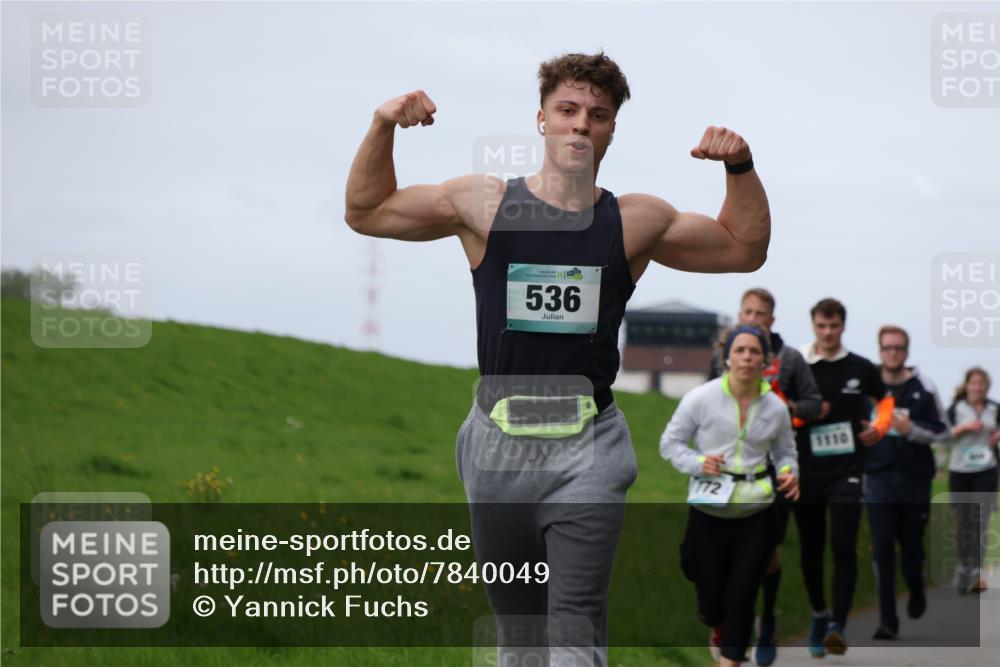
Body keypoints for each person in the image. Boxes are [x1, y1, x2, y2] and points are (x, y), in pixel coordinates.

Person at [344, 52, 771, 667]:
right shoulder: (483, 204)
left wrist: (739, 165)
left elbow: (742, 248)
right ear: (541, 119)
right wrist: (382, 124)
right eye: (567, 110)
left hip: (587, 446)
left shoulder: (632, 220)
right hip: (496, 444)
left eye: (597, 115)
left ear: (612, 129)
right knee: (518, 635)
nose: (580, 125)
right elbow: (367, 210)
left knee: (572, 628)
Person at [661, 325, 799, 667]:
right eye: (740, 351)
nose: (747, 357)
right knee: (701, 582)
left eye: (755, 351)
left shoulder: (776, 408)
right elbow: (670, 444)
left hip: (756, 510)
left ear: (765, 360)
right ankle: (716, 624)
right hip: (709, 509)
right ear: (726, 357)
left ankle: (731, 657)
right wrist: (697, 462)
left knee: (743, 591)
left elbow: (786, 453)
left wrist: (788, 473)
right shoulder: (700, 398)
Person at [709, 287, 821, 665]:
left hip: (773, 470)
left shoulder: (789, 359)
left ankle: (766, 619)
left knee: (764, 551)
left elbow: (812, 402)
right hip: (729, 467)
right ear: (739, 314)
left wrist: (782, 406)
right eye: (748, 312)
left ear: (771, 321)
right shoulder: (724, 354)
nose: (753, 319)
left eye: (761, 314)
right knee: (720, 549)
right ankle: (725, 620)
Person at [793, 298, 893, 658]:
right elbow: (779, 407)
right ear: (813, 325)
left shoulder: (862, 367)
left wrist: (880, 428)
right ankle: (819, 613)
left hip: (848, 471)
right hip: (806, 471)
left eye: (834, 326)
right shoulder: (797, 364)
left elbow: (885, 400)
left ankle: (838, 624)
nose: (828, 333)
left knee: (843, 543)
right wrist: (802, 415)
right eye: (821, 326)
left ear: (843, 326)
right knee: (811, 549)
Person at [864, 325, 947, 639]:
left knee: (911, 547)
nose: (893, 353)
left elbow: (943, 431)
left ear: (907, 351)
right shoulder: (869, 388)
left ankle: (916, 585)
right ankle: (887, 620)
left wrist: (911, 429)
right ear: (880, 350)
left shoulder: (923, 387)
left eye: (898, 348)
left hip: (914, 478)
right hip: (879, 477)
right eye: (887, 348)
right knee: (883, 548)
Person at [942, 367, 999, 595]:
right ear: (967, 385)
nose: (978, 387)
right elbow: (942, 435)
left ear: (987, 386)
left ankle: (976, 571)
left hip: (986, 469)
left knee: (980, 521)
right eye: (974, 383)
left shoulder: (994, 408)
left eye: (982, 384)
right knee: (963, 522)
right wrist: (962, 428)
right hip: (960, 470)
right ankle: (962, 565)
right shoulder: (955, 409)